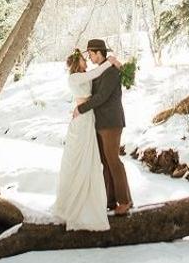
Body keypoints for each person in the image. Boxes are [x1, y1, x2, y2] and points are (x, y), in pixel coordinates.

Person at [53, 48, 120, 231]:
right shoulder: (74, 77)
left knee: (91, 161)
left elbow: (99, 83)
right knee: (81, 160)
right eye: (84, 59)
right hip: (82, 121)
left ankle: (93, 199)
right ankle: (77, 204)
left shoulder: (84, 75)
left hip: (89, 118)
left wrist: (118, 68)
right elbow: (98, 72)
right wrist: (110, 61)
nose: (87, 61)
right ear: (77, 62)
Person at [73, 38, 133, 217]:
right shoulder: (102, 70)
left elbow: (102, 97)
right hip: (100, 123)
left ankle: (124, 201)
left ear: (99, 53)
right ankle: (110, 200)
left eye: (91, 54)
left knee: (113, 161)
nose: (90, 58)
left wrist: (81, 109)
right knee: (105, 162)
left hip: (111, 123)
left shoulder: (111, 72)